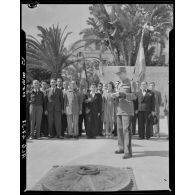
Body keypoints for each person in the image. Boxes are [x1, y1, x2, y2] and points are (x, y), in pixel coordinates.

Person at [113, 67, 137, 159]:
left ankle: (128, 152)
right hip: (119, 109)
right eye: (118, 74)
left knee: (126, 130)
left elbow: (134, 96)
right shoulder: (119, 84)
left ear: (124, 73)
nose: (118, 76)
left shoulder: (131, 82)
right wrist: (115, 96)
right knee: (119, 130)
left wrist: (124, 95)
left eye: (120, 74)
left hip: (127, 110)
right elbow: (119, 95)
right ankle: (121, 148)